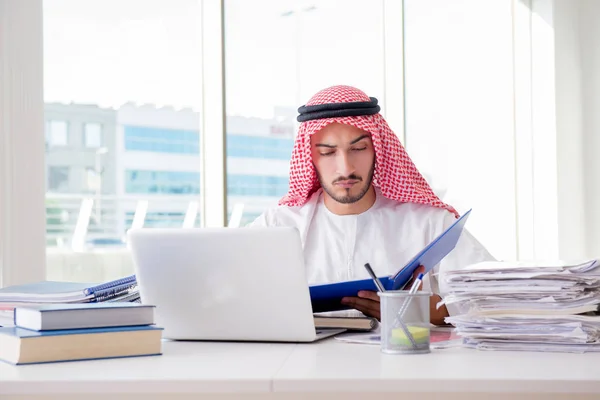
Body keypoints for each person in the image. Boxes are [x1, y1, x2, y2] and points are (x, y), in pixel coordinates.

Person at [249, 85, 494, 325]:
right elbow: (229, 295)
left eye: (358, 148)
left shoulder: (430, 223)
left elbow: (495, 298)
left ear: (377, 148)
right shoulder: (277, 226)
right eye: (327, 152)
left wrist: (430, 311)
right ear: (310, 156)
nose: (345, 168)